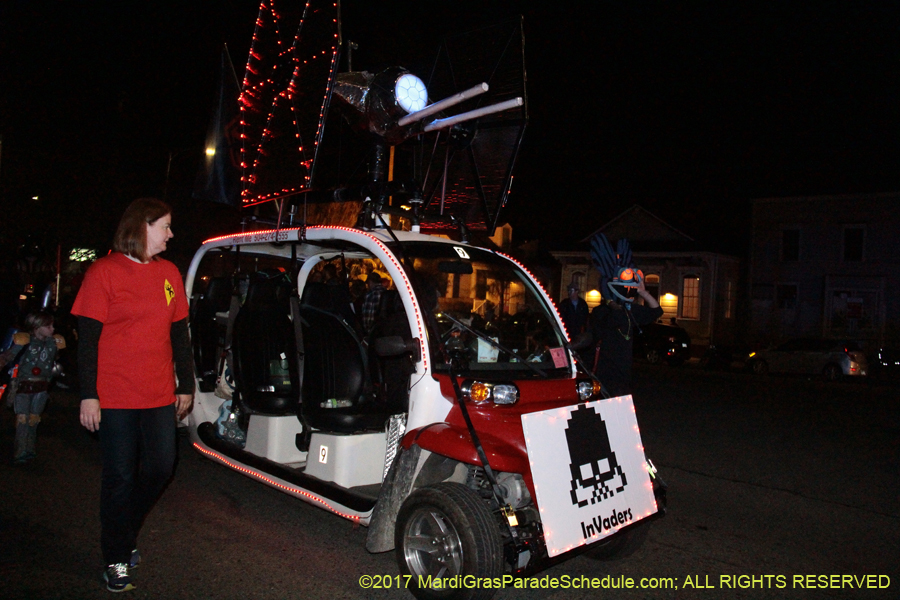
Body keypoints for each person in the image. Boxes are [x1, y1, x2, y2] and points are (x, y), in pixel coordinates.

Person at [71, 198, 194, 593]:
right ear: (143, 226)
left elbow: (179, 334)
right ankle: (116, 556)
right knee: (120, 477)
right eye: (165, 226)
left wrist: (186, 384)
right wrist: (88, 395)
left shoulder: (169, 272)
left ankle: (124, 532)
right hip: (114, 395)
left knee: (160, 468)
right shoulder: (103, 272)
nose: (171, 234)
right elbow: (87, 342)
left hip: (158, 392)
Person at [2, 311, 65, 463]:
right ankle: (20, 451)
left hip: (42, 385)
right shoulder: (24, 341)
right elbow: (8, 356)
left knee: (34, 419)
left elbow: (54, 360)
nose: (52, 329)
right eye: (48, 326)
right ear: (36, 327)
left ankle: (29, 448)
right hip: (24, 384)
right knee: (23, 419)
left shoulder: (54, 342)